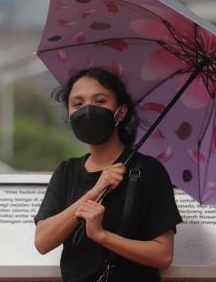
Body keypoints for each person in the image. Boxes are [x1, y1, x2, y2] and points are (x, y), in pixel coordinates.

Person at [34, 67, 182, 282]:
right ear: (68, 114)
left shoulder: (148, 171)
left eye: (99, 101)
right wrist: (95, 190)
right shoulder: (66, 171)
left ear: (120, 112)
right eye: (77, 104)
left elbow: (163, 255)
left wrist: (101, 235)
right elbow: (43, 241)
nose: (87, 110)